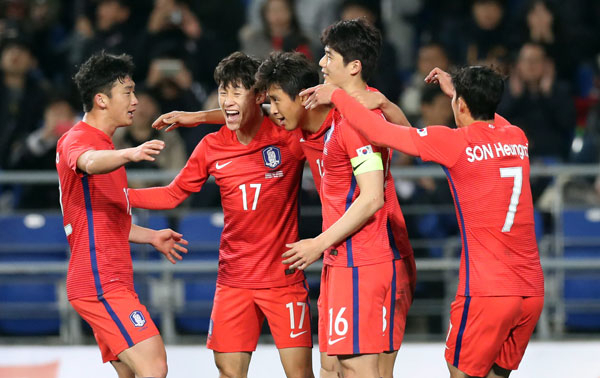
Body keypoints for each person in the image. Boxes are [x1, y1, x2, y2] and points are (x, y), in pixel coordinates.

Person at [301, 65, 545, 378]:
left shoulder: (455, 143)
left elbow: (380, 133)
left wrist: (337, 96)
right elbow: (489, 116)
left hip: (488, 290)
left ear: (460, 105)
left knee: (460, 370)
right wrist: (459, 94)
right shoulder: (516, 137)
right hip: (531, 291)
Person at [127, 52, 314, 378]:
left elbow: (298, 111)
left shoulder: (287, 136)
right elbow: (173, 194)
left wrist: (198, 116)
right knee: (228, 373)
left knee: (299, 375)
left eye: (236, 91)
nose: (227, 100)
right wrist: (121, 196)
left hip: (282, 280)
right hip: (233, 282)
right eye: (222, 91)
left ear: (258, 96)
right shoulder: (211, 147)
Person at [281, 19, 410, 378]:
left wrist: (317, 245)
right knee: (333, 367)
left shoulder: (361, 116)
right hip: (344, 256)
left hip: (371, 256)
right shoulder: (335, 110)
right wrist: (201, 117)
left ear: (353, 66)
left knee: (362, 369)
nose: (321, 64)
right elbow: (273, 108)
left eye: (328, 56)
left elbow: (373, 195)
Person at [56, 51, 189, 378]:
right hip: (99, 281)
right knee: (154, 365)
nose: (136, 100)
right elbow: (86, 161)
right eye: (127, 92)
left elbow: (103, 218)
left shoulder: (103, 144)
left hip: (110, 277)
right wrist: (128, 153)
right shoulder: (80, 140)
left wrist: (151, 236)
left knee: (132, 373)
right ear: (101, 100)